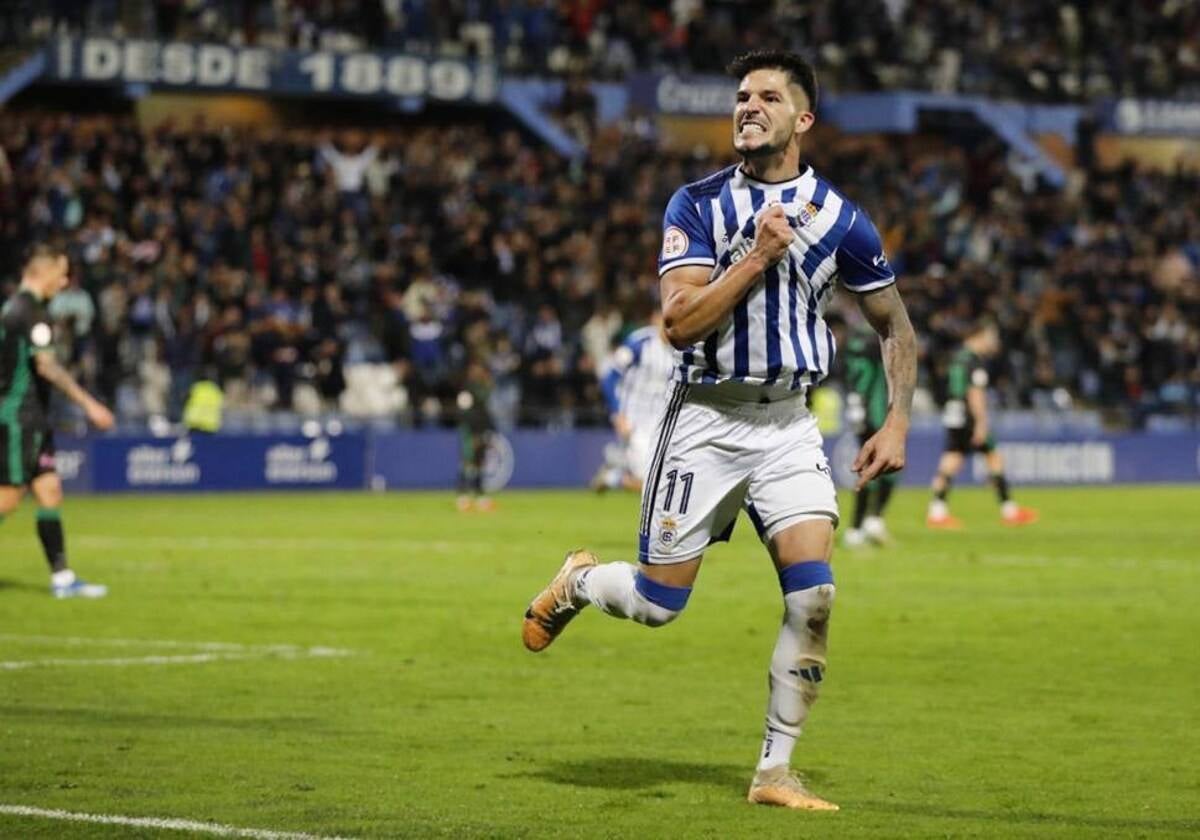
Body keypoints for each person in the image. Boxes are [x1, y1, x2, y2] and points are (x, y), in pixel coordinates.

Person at [520, 50, 917, 811]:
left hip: (789, 425)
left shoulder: (843, 219)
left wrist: (898, 418)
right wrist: (758, 258)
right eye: (740, 95)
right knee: (657, 605)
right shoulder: (696, 205)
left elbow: (896, 325)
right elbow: (677, 323)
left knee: (816, 596)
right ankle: (575, 581)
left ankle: (774, 773)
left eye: (767, 96)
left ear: (802, 119)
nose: (747, 106)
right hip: (705, 417)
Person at [0, 245, 115, 597]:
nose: (64, 281)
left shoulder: (13, 308)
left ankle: (62, 579)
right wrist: (89, 404)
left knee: (49, 491)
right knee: (7, 498)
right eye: (61, 274)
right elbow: (46, 366)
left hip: (32, 417)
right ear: (43, 271)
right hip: (20, 416)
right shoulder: (31, 312)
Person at [926, 320, 1038, 529]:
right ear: (979, 336)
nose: (993, 342)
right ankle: (1009, 510)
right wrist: (981, 422)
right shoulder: (973, 361)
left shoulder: (957, 357)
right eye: (990, 337)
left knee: (953, 458)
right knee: (991, 457)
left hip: (954, 411)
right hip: (969, 415)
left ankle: (937, 510)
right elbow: (975, 393)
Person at [592, 310, 677, 492]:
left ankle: (613, 474)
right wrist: (617, 414)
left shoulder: (679, 350)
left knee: (663, 478)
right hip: (633, 420)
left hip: (659, 422)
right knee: (649, 480)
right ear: (655, 318)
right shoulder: (639, 343)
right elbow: (609, 377)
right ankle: (616, 472)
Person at [842, 323, 898, 547]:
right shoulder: (873, 344)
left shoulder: (852, 344)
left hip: (858, 410)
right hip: (875, 412)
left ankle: (867, 524)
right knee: (880, 469)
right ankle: (860, 527)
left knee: (876, 468)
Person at [456, 360, 496, 512]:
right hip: (469, 431)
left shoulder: (482, 387)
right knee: (467, 462)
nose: (477, 373)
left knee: (480, 463)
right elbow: (464, 413)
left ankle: (480, 496)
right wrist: (470, 434)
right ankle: (462, 497)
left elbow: (484, 411)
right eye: (475, 370)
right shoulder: (467, 389)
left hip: (482, 429)